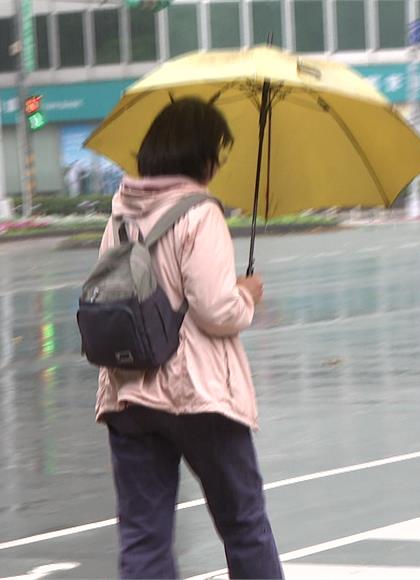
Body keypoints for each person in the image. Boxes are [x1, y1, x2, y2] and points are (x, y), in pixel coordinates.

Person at [95, 97, 282, 580]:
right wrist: (246, 295)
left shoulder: (121, 214)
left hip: (128, 393)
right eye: (217, 152)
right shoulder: (200, 213)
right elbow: (216, 310)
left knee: (143, 536)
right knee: (243, 525)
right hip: (197, 393)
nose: (218, 163)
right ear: (198, 153)